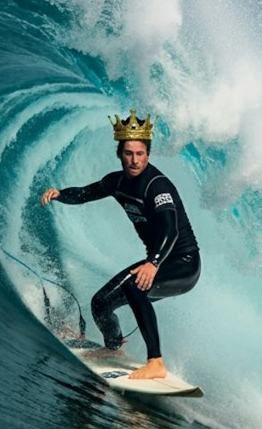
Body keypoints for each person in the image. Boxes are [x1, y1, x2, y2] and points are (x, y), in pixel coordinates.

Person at [40, 109, 200, 381]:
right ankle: (113, 349)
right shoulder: (117, 182)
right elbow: (85, 193)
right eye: (128, 153)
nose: (134, 160)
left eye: (140, 154)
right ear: (120, 154)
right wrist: (59, 195)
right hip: (158, 263)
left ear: (148, 154)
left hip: (182, 264)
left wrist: (154, 262)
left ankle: (156, 362)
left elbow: (171, 229)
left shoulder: (157, 187)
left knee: (134, 285)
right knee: (101, 303)